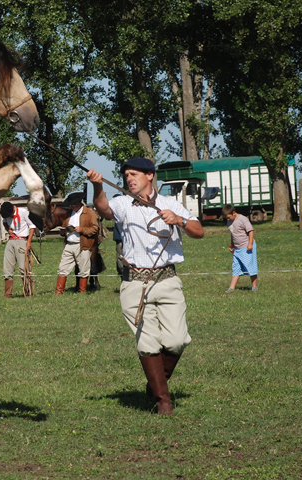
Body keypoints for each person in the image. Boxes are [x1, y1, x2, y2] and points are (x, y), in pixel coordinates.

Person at [87, 157, 204, 415]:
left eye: (134, 174)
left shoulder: (170, 205)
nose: (129, 178)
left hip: (168, 280)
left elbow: (199, 230)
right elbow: (104, 209)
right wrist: (97, 186)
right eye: (126, 175)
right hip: (134, 284)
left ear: (150, 175)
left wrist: (179, 220)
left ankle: (155, 384)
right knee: (147, 344)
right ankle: (163, 401)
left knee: (177, 340)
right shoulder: (123, 204)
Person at [55, 192, 99, 295]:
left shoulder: (89, 213)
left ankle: (81, 292)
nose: (71, 207)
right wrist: (63, 231)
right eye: (70, 205)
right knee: (62, 268)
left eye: (73, 205)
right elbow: (64, 226)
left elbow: (94, 228)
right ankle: (59, 292)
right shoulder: (69, 213)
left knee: (83, 270)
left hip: (82, 245)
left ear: (79, 203)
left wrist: (82, 229)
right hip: (69, 244)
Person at [0, 201, 35, 298]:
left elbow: (32, 226)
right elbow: (4, 222)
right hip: (11, 241)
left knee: (24, 268)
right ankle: (8, 294)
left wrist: (29, 242)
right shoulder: (6, 214)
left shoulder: (24, 212)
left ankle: (28, 292)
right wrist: (8, 230)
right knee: (7, 268)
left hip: (22, 240)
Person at [222, 205, 258, 292]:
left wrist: (250, 244)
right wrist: (232, 245)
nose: (228, 219)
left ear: (234, 213)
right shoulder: (230, 221)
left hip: (246, 247)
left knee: (250, 266)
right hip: (237, 249)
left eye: (229, 217)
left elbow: (251, 231)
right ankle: (232, 288)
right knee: (235, 267)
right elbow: (233, 233)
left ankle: (254, 286)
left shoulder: (243, 219)